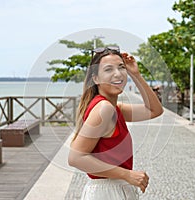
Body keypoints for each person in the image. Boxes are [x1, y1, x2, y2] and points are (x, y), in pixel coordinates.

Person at [68, 46, 163, 199]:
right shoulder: (104, 109)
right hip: (107, 192)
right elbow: (75, 158)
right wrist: (127, 175)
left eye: (121, 67)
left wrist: (135, 74)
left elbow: (154, 110)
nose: (118, 74)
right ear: (96, 78)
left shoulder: (113, 108)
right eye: (108, 70)